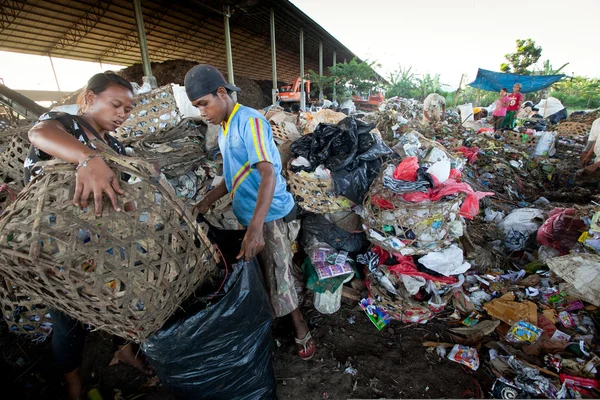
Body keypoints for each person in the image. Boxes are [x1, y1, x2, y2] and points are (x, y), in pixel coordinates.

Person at [26, 72, 153, 400]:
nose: (122, 113)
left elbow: (120, 189)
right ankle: (73, 381)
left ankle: (123, 348)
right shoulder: (65, 124)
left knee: (121, 300)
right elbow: (39, 133)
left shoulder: (115, 144)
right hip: (57, 247)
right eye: (115, 104)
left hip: (102, 245)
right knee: (68, 319)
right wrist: (86, 158)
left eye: (128, 108)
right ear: (88, 98)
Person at [185, 64, 316, 360]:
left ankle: (299, 325)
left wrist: (256, 228)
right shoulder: (225, 126)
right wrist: (206, 201)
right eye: (196, 107)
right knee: (266, 271)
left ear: (221, 93)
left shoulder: (250, 121)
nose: (202, 112)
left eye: (203, 104)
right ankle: (271, 316)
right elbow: (233, 176)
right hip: (251, 213)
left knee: (278, 273)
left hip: (268, 214)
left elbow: (268, 174)